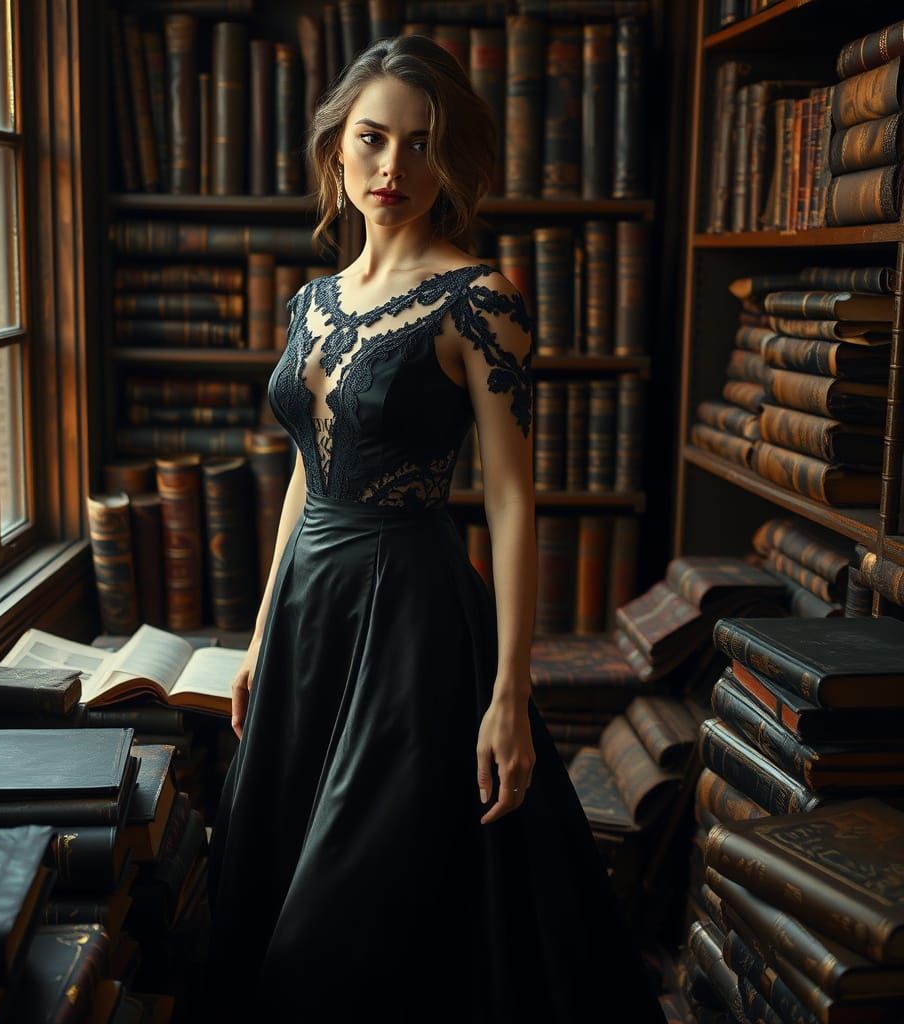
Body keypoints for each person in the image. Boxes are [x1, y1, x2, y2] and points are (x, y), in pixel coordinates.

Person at [207, 33, 666, 1024]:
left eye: (421, 144)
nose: (393, 167)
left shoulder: (480, 298)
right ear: (337, 146)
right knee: (276, 870)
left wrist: (510, 692)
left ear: (451, 160)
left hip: (409, 617)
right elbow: (306, 472)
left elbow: (509, 498)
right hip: (306, 618)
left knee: (355, 907)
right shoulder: (310, 303)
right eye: (373, 138)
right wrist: (258, 636)